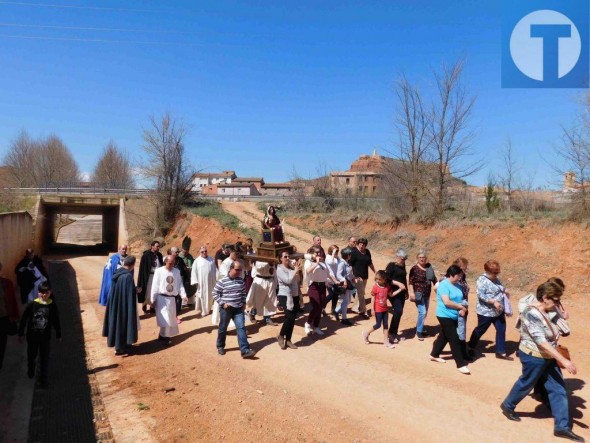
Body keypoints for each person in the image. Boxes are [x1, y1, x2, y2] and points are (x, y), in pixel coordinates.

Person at [500, 281, 584, 442]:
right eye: (556, 300)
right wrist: (564, 361)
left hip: (548, 356)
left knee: (558, 389)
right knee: (526, 383)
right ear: (545, 298)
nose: (558, 303)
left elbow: (555, 327)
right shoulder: (531, 313)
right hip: (533, 356)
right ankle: (508, 405)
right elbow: (541, 342)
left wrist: (561, 313)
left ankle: (562, 427)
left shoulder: (548, 308)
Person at [18, 282, 61, 387]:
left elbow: (56, 320)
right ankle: (31, 368)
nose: (43, 295)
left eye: (46, 293)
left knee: (44, 358)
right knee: (32, 355)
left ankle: (43, 379)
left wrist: (58, 334)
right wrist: (21, 333)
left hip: (45, 337)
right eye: (41, 293)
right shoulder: (32, 305)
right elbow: (24, 319)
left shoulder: (52, 305)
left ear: (50, 293)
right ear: (38, 293)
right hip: (32, 337)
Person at [468, 260, 512, 360]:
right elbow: (481, 295)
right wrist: (493, 302)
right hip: (486, 312)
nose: (497, 274)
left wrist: (504, 290)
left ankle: (500, 352)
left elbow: (498, 287)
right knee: (480, 330)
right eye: (495, 273)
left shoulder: (495, 279)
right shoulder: (482, 280)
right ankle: (470, 347)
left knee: (501, 330)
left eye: (497, 272)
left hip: (498, 311)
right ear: (488, 271)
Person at [429, 265, 470, 375]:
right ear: (451, 275)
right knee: (454, 339)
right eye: (458, 276)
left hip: (455, 315)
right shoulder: (443, 285)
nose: (459, 278)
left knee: (444, 336)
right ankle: (460, 364)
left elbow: (462, 299)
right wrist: (460, 307)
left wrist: (463, 308)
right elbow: (446, 302)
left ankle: (434, 354)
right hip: (444, 315)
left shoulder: (458, 285)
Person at [213, 261, 256, 359]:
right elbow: (215, 293)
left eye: (240, 270)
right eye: (237, 270)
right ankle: (220, 346)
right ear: (231, 269)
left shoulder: (241, 281)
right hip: (226, 309)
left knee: (241, 328)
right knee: (223, 328)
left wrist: (244, 303)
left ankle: (245, 350)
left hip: (238, 309)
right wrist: (223, 303)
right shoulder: (222, 281)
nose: (239, 272)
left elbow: (243, 293)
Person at [102, 256, 139, 355]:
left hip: (115, 303)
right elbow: (130, 294)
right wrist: (136, 290)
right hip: (124, 305)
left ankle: (118, 346)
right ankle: (120, 347)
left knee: (117, 323)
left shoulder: (117, 273)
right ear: (132, 265)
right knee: (123, 324)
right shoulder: (128, 277)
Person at [150, 255, 187, 345]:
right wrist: (152, 299)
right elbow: (155, 285)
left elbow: (179, 284)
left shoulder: (176, 272)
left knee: (170, 319)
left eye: (173, 263)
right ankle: (165, 337)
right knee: (165, 318)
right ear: (165, 262)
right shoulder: (159, 271)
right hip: (161, 298)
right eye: (170, 263)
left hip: (171, 299)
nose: (171, 265)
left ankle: (162, 335)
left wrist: (183, 295)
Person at [362, 271, 403, 348]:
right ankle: (366, 333)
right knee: (378, 325)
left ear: (384, 279)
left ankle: (386, 342)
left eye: (380, 279)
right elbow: (373, 298)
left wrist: (400, 289)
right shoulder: (375, 287)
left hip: (385, 309)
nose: (378, 281)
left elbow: (391, 294)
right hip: (378, 309)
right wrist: (372, 309)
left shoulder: (387, 287)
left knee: (386, 326)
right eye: (377, 279)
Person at [304, 246, 338, 336]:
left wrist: (336, 282)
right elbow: (308, 271)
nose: (319, 254)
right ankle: (307, 324)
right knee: (316, 306)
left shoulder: (323, 263)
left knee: (320, 307)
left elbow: (328, 274)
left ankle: (315, 326)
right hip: (313, 286)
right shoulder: (308, 262)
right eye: (316, 252)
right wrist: (316, 263)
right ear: (312, 254)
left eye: (320, 252)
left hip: (322, 287)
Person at [408, 250, 438, 340]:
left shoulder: (429, 267)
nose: (422, 259)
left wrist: (438, 287)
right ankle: (419, 332)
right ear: (417, 259)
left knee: (424, 313)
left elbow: (434, 279)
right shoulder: (414, 268)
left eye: (423, 257)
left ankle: (419, 328)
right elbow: (410, 282)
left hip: (427, 293)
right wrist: (411, 293)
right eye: (420, 257)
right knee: (422, 312)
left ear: (426, 259)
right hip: (418, 293)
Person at [276, 252, 301, 349]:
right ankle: (281, 335)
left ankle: (289, 340)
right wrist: (295, 271)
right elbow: (288, 280)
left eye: (288, 256)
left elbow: (297, 280)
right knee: (290, 317)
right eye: (285, 257)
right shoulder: (279, 269)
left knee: (292, 318)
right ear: (280, 259)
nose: (287, 258)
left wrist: (297, 270)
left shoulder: (291, 268)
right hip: (284, 295)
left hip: (294, 295)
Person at [385, 248, 409, 343]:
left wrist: (406, 290)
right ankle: (390, 333)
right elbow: (386, 278)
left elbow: (404, 278)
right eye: (402, 258)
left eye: (405, 259)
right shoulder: (391, 266)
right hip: (393, 292)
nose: (403, 260)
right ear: (397, 257)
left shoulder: (403, 266)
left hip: (401, 293)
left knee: (399, 312)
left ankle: (394, 332)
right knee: (398, 311)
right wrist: (398, 284)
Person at [349, 238, 376, 319]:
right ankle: (363, 311)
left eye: (363, 244)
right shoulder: (354, 252)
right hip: (357, 276)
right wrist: (353, 276)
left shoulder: (367, 252)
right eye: (360, 244)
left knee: (359, 292)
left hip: (364, 275)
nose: (362, 246)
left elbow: (370, 263)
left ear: (365, 245)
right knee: (361, 293)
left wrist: (375, 271)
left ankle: (354, 308)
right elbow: (350, 264)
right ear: (358, 244)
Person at [246, 260, 278, 326]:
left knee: (270, 300)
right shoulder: (259, 259)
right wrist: (268, 262)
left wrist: (276, 283)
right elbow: (259, 268)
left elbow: (274, 271)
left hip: (270, 280)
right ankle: (252, 314)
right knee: (258, 300)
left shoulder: (273, 259)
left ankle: (267, 318)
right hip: (260, 280)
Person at [0, 261, 19, 370]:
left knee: (1, 344)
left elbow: (12, 301)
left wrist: (14, 317)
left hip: (3, 319)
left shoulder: (7, 284)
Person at [137, 241, 163, 314]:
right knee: (147, 291)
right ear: (152, 246)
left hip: (157, 276)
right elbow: (142, 268)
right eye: (157, 246)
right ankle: (144, 305)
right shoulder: (146, 255)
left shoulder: (159, 255)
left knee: (155, 291)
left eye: (159, 246)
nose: (158, 248)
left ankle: (152, 307)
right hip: (148, 276)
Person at [190, 246, 216, 317]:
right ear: (200, 252)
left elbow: (214, 270)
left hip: (210, 282)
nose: (204, 253)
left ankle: (208, 309)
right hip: (201, 282)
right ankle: (204, 311)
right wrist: (195, 282)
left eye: (205, 251)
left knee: (210, 296)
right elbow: (194, 272)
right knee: (202, 296)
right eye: (202, 252)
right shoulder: (197, 261)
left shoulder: (211, 259)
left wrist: (215, 280)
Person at [334, 248, 355, 326]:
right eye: (350, 254)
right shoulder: (342, 263)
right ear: (348, 255)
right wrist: (344, 280)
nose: (351, 256)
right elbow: (338, 274)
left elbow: (349, 273)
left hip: (348, 283)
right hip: (344, 284)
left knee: (348, 301)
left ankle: (336, 311)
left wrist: (353, 278)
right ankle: (344, 319)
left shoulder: (347, 262)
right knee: (346, 301)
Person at [325, 245, 343, 315]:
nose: (337, 252)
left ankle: (333, 310)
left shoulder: (336, 257)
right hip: (329, 279)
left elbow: (341, 262)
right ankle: (322, 307)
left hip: (335, 278)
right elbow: (331, 263)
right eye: (336, 251)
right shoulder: (328, 257)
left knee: (335, 295)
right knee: (331, 294)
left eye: (337, 251)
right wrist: (333, 253)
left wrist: (337, 256)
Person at [179, 236, 196, 305]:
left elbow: (193, 262)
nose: (186, 253)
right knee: (183, 288)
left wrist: (192, 267)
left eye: (187, 252)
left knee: (191, 288)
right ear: (182, 249)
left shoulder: (190, 256)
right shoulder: (179, 257)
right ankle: (183, 303)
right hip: (182, 275)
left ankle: (190, 302)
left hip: (189, 275)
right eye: (185, 252)